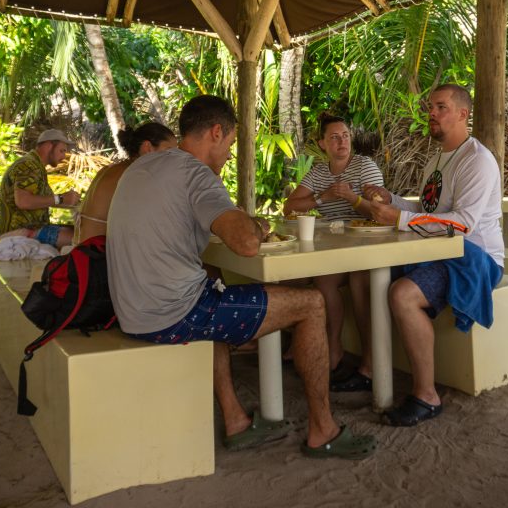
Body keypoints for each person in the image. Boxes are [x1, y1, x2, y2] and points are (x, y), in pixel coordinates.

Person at [106, 95, 376, 459]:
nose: (230, 154)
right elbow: (247, 243)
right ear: (216, 132)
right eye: (231, 144)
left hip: (132, 311)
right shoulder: (196, 173)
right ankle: (323, 431)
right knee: (312, 303)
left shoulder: (141, 167)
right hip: (171, 315)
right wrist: (259, 225)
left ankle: (236, 420)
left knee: (211, 284)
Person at [361, 84, 504, 427]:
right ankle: (368, 369)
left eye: (440, 107)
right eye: (430, 107)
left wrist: (400, 219)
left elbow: (464, 224)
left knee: (403, 295)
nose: (432, 113)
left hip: (475, 259)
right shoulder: (438, 158)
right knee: (361, 274)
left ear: (462, 114)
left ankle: (426, 395)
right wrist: (393, 200)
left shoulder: (477, 161)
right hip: (437, 251)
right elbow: (428, 210)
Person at [283, 114, 384, 392]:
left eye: (346, 136)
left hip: (367, 242)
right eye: (334, 137)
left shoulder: (365, 166)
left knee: (345, 281)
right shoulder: (318, 172)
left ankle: (364, 363)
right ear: (322, 143)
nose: (342, 142)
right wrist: (321, 197)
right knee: (311, 280)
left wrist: (354, 199)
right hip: (335, 244)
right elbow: (289, 207)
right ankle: (331, 350)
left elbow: (380, 210)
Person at [73, 121, 176, 244]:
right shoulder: (133, 175)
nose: (173, 159)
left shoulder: (113, 169)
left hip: (82, 250)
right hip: (96, 258)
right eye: (169, 152)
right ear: (147, 148)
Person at [0, 129, 81, 248]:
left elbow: (48, 200)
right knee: (81, 238)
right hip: (17, 235)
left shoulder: (36, 166)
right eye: (62, 151)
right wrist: (61, 198)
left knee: (80, 232)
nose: (63, 156)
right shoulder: (28, 165)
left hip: (33, 229)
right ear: (48, 146)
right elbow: (23, 202)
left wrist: (74, 201)